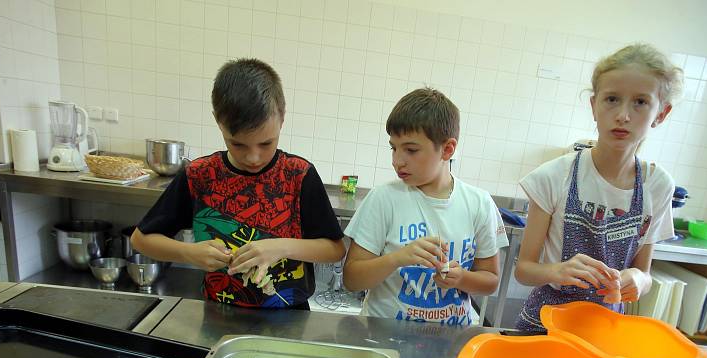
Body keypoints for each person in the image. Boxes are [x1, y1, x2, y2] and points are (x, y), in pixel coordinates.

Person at [131, 58, 345, 309]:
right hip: (219, 316)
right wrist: (189, 253)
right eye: (237, 144)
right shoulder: (200, 176)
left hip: (290, 318)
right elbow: (141, 240)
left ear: (282, 118)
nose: (253, 158)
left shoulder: (298, 175)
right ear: (218, 121)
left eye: (266, 143)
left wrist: (281, 247)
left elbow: (334, 249)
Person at [514, 43, 683, 332]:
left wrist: (637, 281)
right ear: (594, 106)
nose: (623, 115)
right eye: (612, 99)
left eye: (640, 102)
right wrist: (557, 271)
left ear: (661, 114)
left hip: (603, 331)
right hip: (544, 326)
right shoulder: (555, 177)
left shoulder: (657, 185)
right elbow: (524, 269)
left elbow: (644, 273)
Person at [343, 87, 509, 326]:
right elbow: (352, 279)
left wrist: (461, 278)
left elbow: (490, 280)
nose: (397, 160)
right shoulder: (383, 199)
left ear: (447, 149)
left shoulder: (479, 203)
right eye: (394, 147)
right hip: (384, 334)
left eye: (411, 150)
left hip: (451, 340)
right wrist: (398, 258)